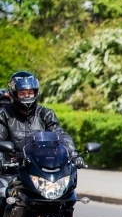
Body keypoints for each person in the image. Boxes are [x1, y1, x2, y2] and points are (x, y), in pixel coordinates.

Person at [0, 71, 85, 202]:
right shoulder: (4, 114)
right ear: (13, 94)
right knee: (2, 194)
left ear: (36, 93)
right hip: (12, 171)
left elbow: (60, 134)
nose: (26, 96)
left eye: (30, 93)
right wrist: (2, 160)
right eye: (22, 93)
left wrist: (74, 154)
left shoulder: (45, 114)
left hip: (38, 170)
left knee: (67, 197)